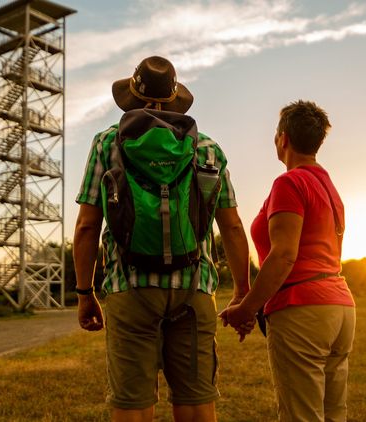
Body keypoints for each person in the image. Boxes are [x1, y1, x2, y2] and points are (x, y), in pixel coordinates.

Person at [73, 56, 251, 422]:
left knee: (132, 406)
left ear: (133, 95)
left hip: (130, 284)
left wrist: (84, 293)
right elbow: (231, 226)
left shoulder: (107, 143)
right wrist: (242, 292)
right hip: (194, 286)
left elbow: (87, 227)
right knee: (196, 403)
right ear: (173, 98)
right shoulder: (207, 149)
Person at [220, 100, 356, 422]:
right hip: (340, 308)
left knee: (301, 416)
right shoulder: (328, 186)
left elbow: (284, 255)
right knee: (333, 413)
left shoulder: (290, 182)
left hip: (302, 310)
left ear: (283, 138)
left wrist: (247, 307)